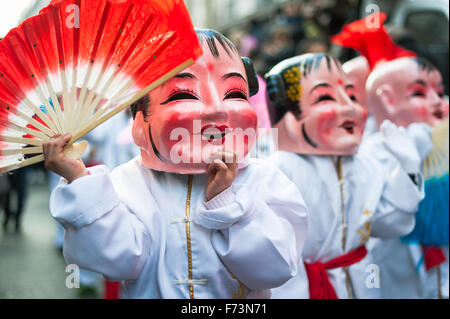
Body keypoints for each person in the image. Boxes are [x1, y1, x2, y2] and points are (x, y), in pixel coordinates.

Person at [43, 29, 308, 299]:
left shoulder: (264, 178)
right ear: (139, 121)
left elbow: (276, 269)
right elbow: (115, 261)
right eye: (184, 95)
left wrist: (227, 204)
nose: (218, 108)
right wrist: (81, 184)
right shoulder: (129, 182)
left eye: (234, 93)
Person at [265, 52, 427, 299]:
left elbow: (387, 223)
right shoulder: (278, 169)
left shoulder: (362, 164)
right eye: (326, 97)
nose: (349, 107)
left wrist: (408, 169)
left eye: (351, 95)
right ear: (287, 116)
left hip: (361, 281)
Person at [333, 13, 449, 299]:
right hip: (392, 265)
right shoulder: (371, 150)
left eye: (440, 92)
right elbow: (378, 220)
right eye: (420, 93)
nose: (438, 102)